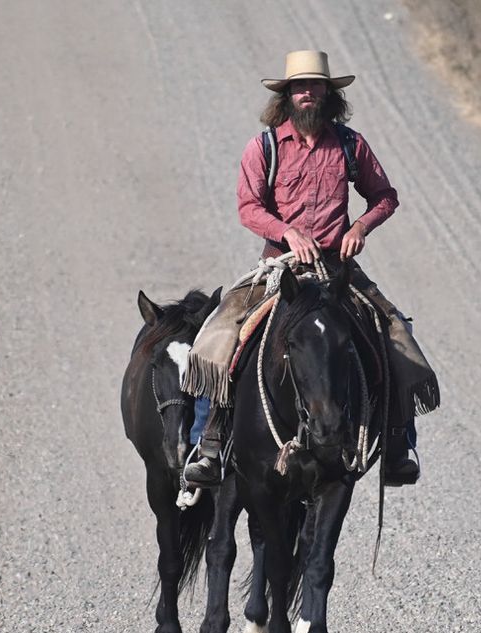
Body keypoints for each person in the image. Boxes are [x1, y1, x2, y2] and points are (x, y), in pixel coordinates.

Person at [184, 49, 437, 487]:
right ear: (286, 95)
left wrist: (360, 226)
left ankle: (397, 445)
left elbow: (385, 197)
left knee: (396, 331)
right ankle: (208, 444)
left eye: (315, 85)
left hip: (336, 269)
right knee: (219, 334)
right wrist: (288, 234)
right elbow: (249, 208)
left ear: (328, 93)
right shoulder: (263, 146)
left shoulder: (351, 145)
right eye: (299, 86)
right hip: (278, 267)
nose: (308, 93)